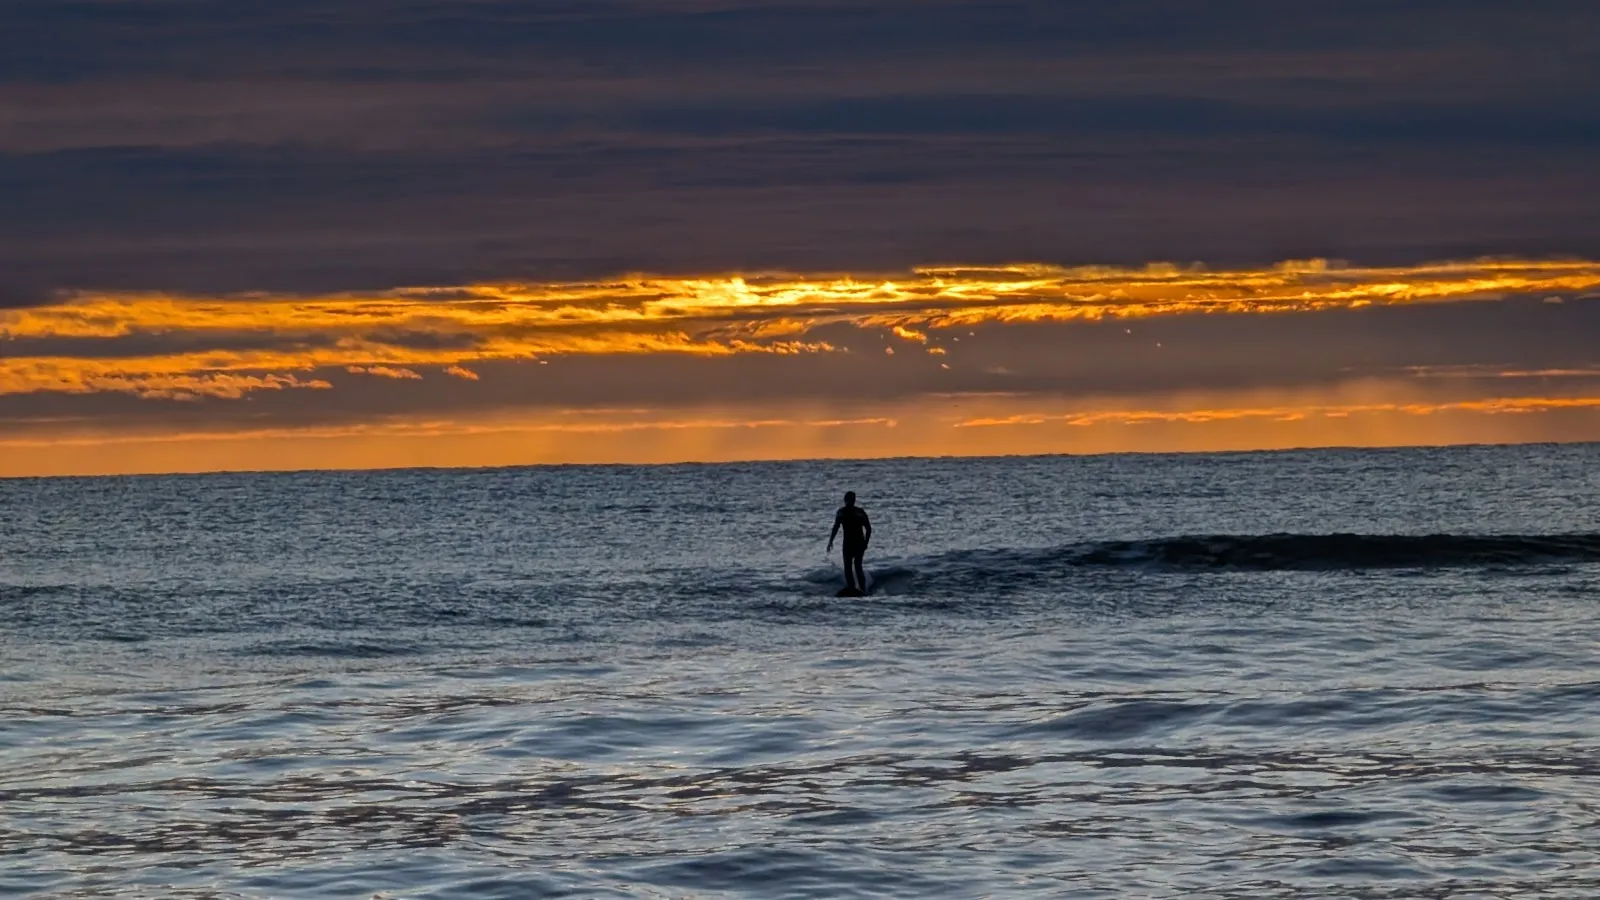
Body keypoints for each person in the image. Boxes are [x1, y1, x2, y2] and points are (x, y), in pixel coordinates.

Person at [827, 491, 872, 593]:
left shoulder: (859, 512)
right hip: (848, 543)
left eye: (851, 499)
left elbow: (868, 528)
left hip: (858, 543)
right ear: (845, 500)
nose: (849, 501)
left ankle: (862, 589)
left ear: (853, 500)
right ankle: (851, 588)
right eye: (848, 499)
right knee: (848, 568)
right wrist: (830, 541)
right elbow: (836, 527)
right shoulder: (842, 512)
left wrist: (866, 543)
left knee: (857, 566)